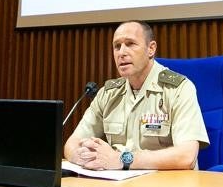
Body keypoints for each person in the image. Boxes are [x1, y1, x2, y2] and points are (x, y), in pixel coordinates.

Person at [64, 21, 208, 170]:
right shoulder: (108, 94)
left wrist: (122, 160)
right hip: (118, 184)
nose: (121, 52)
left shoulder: (178, 89)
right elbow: (72, 143)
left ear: (151, 49)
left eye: (130, 44)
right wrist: (83, 157)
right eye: (117, 46)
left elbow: (187, 156)